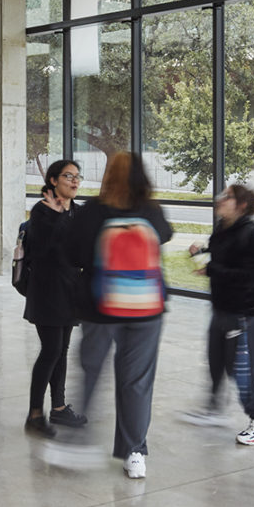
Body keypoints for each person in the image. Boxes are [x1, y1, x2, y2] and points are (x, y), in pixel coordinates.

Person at [62, 152, 172, 479]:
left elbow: (72, 254)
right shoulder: (151, 210)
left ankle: (77, 441)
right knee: (136, 381)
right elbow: (165, 236)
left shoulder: (93, 210)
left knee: (91, 370)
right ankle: (134, 452)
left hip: (100, 307)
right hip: (147, 308)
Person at [184, 184, 254, 444]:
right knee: (216, 357)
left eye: (227, 197)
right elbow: (224, 260)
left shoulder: (248, 236)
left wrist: (213, 270)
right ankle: (214, 408)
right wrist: (202, 254)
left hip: (248, 312)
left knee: (242, 369)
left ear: (241, 206)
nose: (221, 199)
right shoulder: (223, 229)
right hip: (224, 307)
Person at [23, 159, 86, 439]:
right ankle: (35, 415)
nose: (74, 181)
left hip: (70, 292)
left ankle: (58, 407)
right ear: (52, 180)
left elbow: (81, 252)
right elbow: (44, 251)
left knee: (61, 351)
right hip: (47, 293)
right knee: (50, 351)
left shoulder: (78, 212)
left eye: (77, 177)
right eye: (68, 176)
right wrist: (58, 217)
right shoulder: (41, 211)